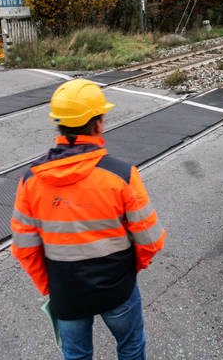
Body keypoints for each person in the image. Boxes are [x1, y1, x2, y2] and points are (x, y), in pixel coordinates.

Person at [11, 79, 166, 360]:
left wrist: (51, 286)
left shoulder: (30, 181)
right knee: (131, 347)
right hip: (117, 287)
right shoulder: (122, 176)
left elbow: (24, 248)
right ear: (98, 124)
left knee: (76, 355)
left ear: (59, 124)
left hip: (66, 293)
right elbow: (151, 240)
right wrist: (128, 273)